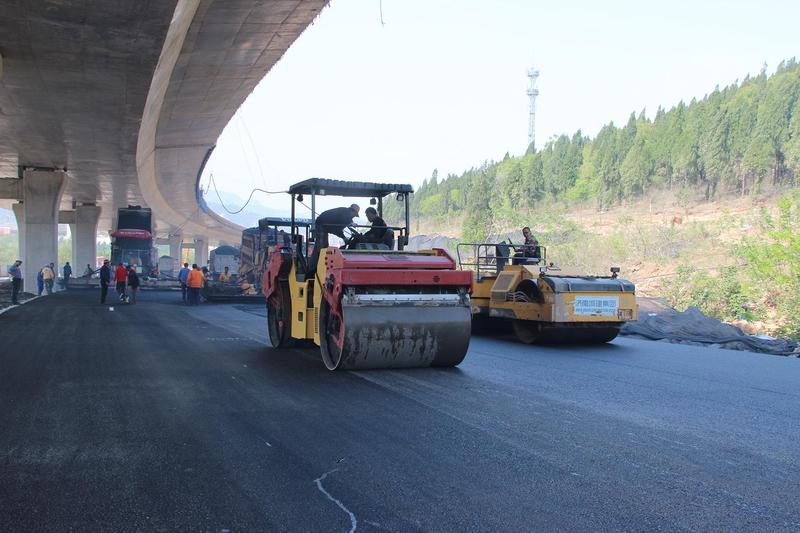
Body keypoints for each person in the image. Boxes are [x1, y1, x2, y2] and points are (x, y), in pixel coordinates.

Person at [309, 204, 360, 274]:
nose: (354, 217)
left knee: (324, 247)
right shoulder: (344, 213)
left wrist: (344, 237)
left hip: (324, 226)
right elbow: (338, 227)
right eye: (355, 215)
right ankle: (313, 271)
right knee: (320, 249)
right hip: (321, 225)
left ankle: (317, 268)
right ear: (352, 211)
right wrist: (345, 236)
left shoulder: (344, 215)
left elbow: (337, 229)